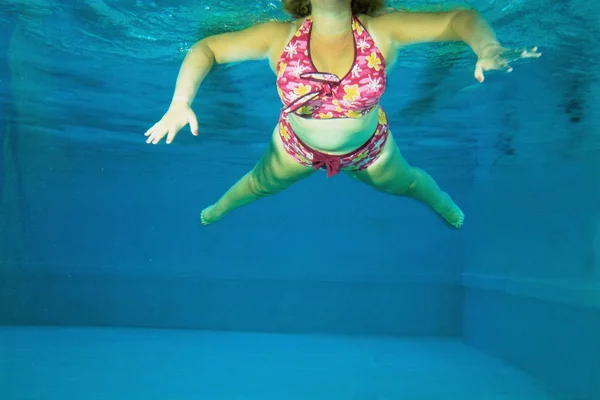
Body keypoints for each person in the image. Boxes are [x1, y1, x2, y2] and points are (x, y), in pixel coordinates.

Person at [144, 0, 540, 228]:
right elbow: (207, 49)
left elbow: (459, 18)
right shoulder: (278, 36)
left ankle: (444, 205)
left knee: (411, 185)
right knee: (256, 185)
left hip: (371, 150)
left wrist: (487, 48)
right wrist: (180, 103)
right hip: (293, 146)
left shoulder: (382, 30)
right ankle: (217, 210)